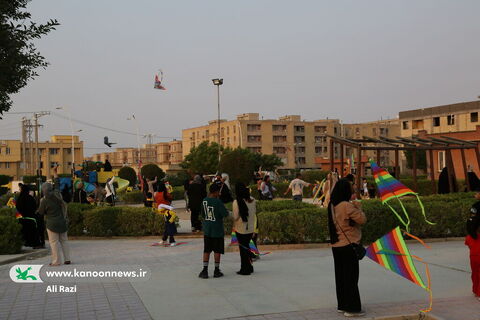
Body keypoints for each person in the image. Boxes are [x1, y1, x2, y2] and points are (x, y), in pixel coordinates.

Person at [328, 178, 366, 317]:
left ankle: (342, 305)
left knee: (341, 277)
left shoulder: (332, 205)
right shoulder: (346, 206)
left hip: (336, 246)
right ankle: (352, 308)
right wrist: (358, 207)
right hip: (349, 245)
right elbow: (362, 219)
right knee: (351, 277)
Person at [198, 183, 229, 279]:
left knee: (206, 250)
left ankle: (204, 270)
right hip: (217, 229)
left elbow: (203, 214)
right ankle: (216, 270)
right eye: (218, 191)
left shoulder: (204, 201)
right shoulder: (218, 202)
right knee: (217, 250)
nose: (219, 193)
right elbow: (225, 214)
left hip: (207, 229)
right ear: (215, 192)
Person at [38, 183, 71, 266]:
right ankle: (67, 259)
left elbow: (41, 212)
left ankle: (56, 261)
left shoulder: (44, 200)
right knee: (64, 241)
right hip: (62, 222)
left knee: (54, 243)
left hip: (51, 224)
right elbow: (57, 186)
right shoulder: (58, 196)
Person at [232, 182, 257, 275]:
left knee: (243, 250)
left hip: (241, 228)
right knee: (248, 248)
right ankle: (250, 266)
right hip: (250, 228)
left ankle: (245, 269)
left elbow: (235, 217)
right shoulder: (253, 200)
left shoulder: (236, 202)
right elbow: (254, 213)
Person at [16, 184, 42, 248]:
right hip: (31, 218)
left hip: (23, 218)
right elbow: (34, 206)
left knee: (24, 231)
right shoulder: (30, 198)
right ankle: (35, 244)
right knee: (32, 231)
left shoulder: (20, 198)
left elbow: (18, 207)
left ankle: (26, 242)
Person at [465, 189, 480, 300]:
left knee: (476, 268)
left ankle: (477, 291)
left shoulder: (476, 206)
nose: (475, 194)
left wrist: (472, 234)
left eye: (477, 192)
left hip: (477, 240)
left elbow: (472, 222)